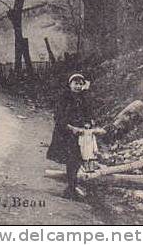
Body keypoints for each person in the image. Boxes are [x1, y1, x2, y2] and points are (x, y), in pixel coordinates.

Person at [47, 72, 96, 200]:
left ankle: (72, 187)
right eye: (75, 83)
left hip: (80, 134)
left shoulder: (84, 98)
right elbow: (58, 117)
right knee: (72, 160)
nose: (78, 86)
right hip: (65, 134)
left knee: (78, 160)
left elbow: (88, 113)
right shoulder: (64, 98)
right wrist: (71, 128)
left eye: (80, 84)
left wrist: (89, 122)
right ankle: (71, 188)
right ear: (70, 84)